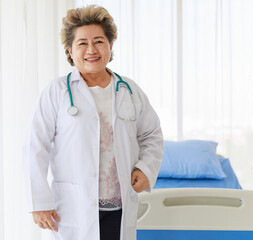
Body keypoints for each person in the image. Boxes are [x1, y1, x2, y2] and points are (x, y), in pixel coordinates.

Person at [22, 5, 163, 240]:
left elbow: (151, 134)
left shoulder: (129, 91)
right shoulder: (56, 91)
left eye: (99, 41)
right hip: (72, 209)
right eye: (82, 43)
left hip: (118, 207)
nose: (91, 50)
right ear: (70, 49)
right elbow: (34, 146)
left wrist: (145, 168)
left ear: (110, 46)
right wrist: (39, 202)